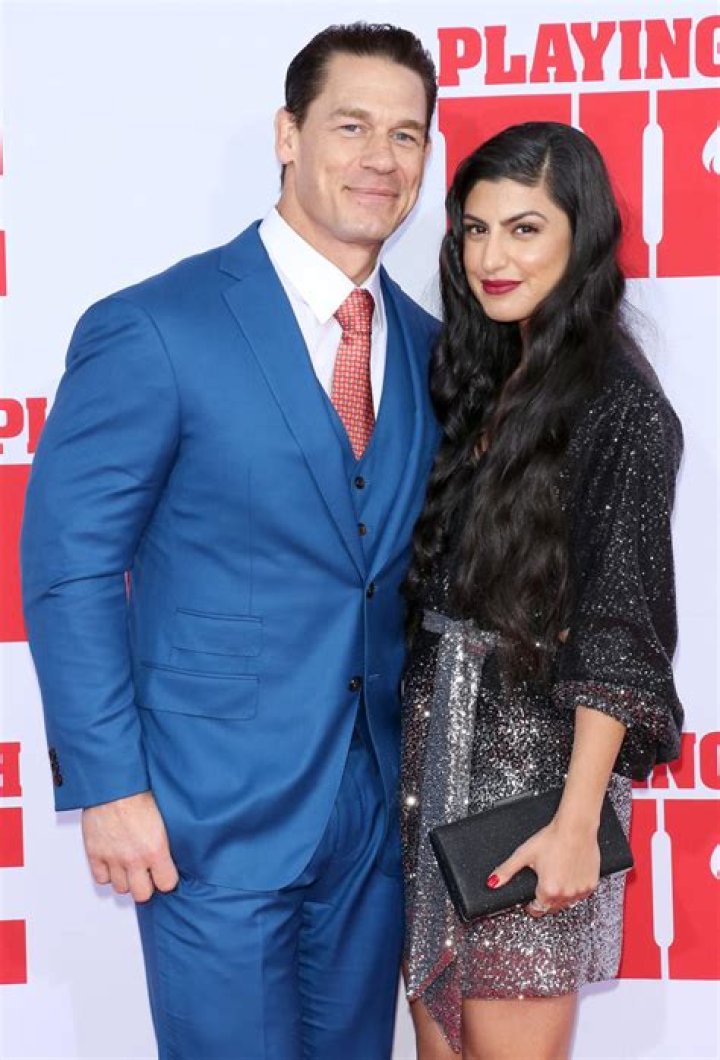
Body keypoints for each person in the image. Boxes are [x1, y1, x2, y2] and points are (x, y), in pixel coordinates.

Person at [21, 22, 439, 1060]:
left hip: (372, 820)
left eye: (406, 134)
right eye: (351, 126)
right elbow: (70, 566)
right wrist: (110, 786)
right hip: (203, 812)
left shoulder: (434, 349)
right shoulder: (158, 326)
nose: (381, 159)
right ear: (288, 136)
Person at [401, 121, 684, 1060]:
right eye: (476, 230)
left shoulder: (622, 406)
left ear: (581, 234)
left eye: (524, 229)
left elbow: (621, 628)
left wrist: (575, 824)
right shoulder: (487, 378)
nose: (492, 258)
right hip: (433, 775)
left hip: (531, 792)